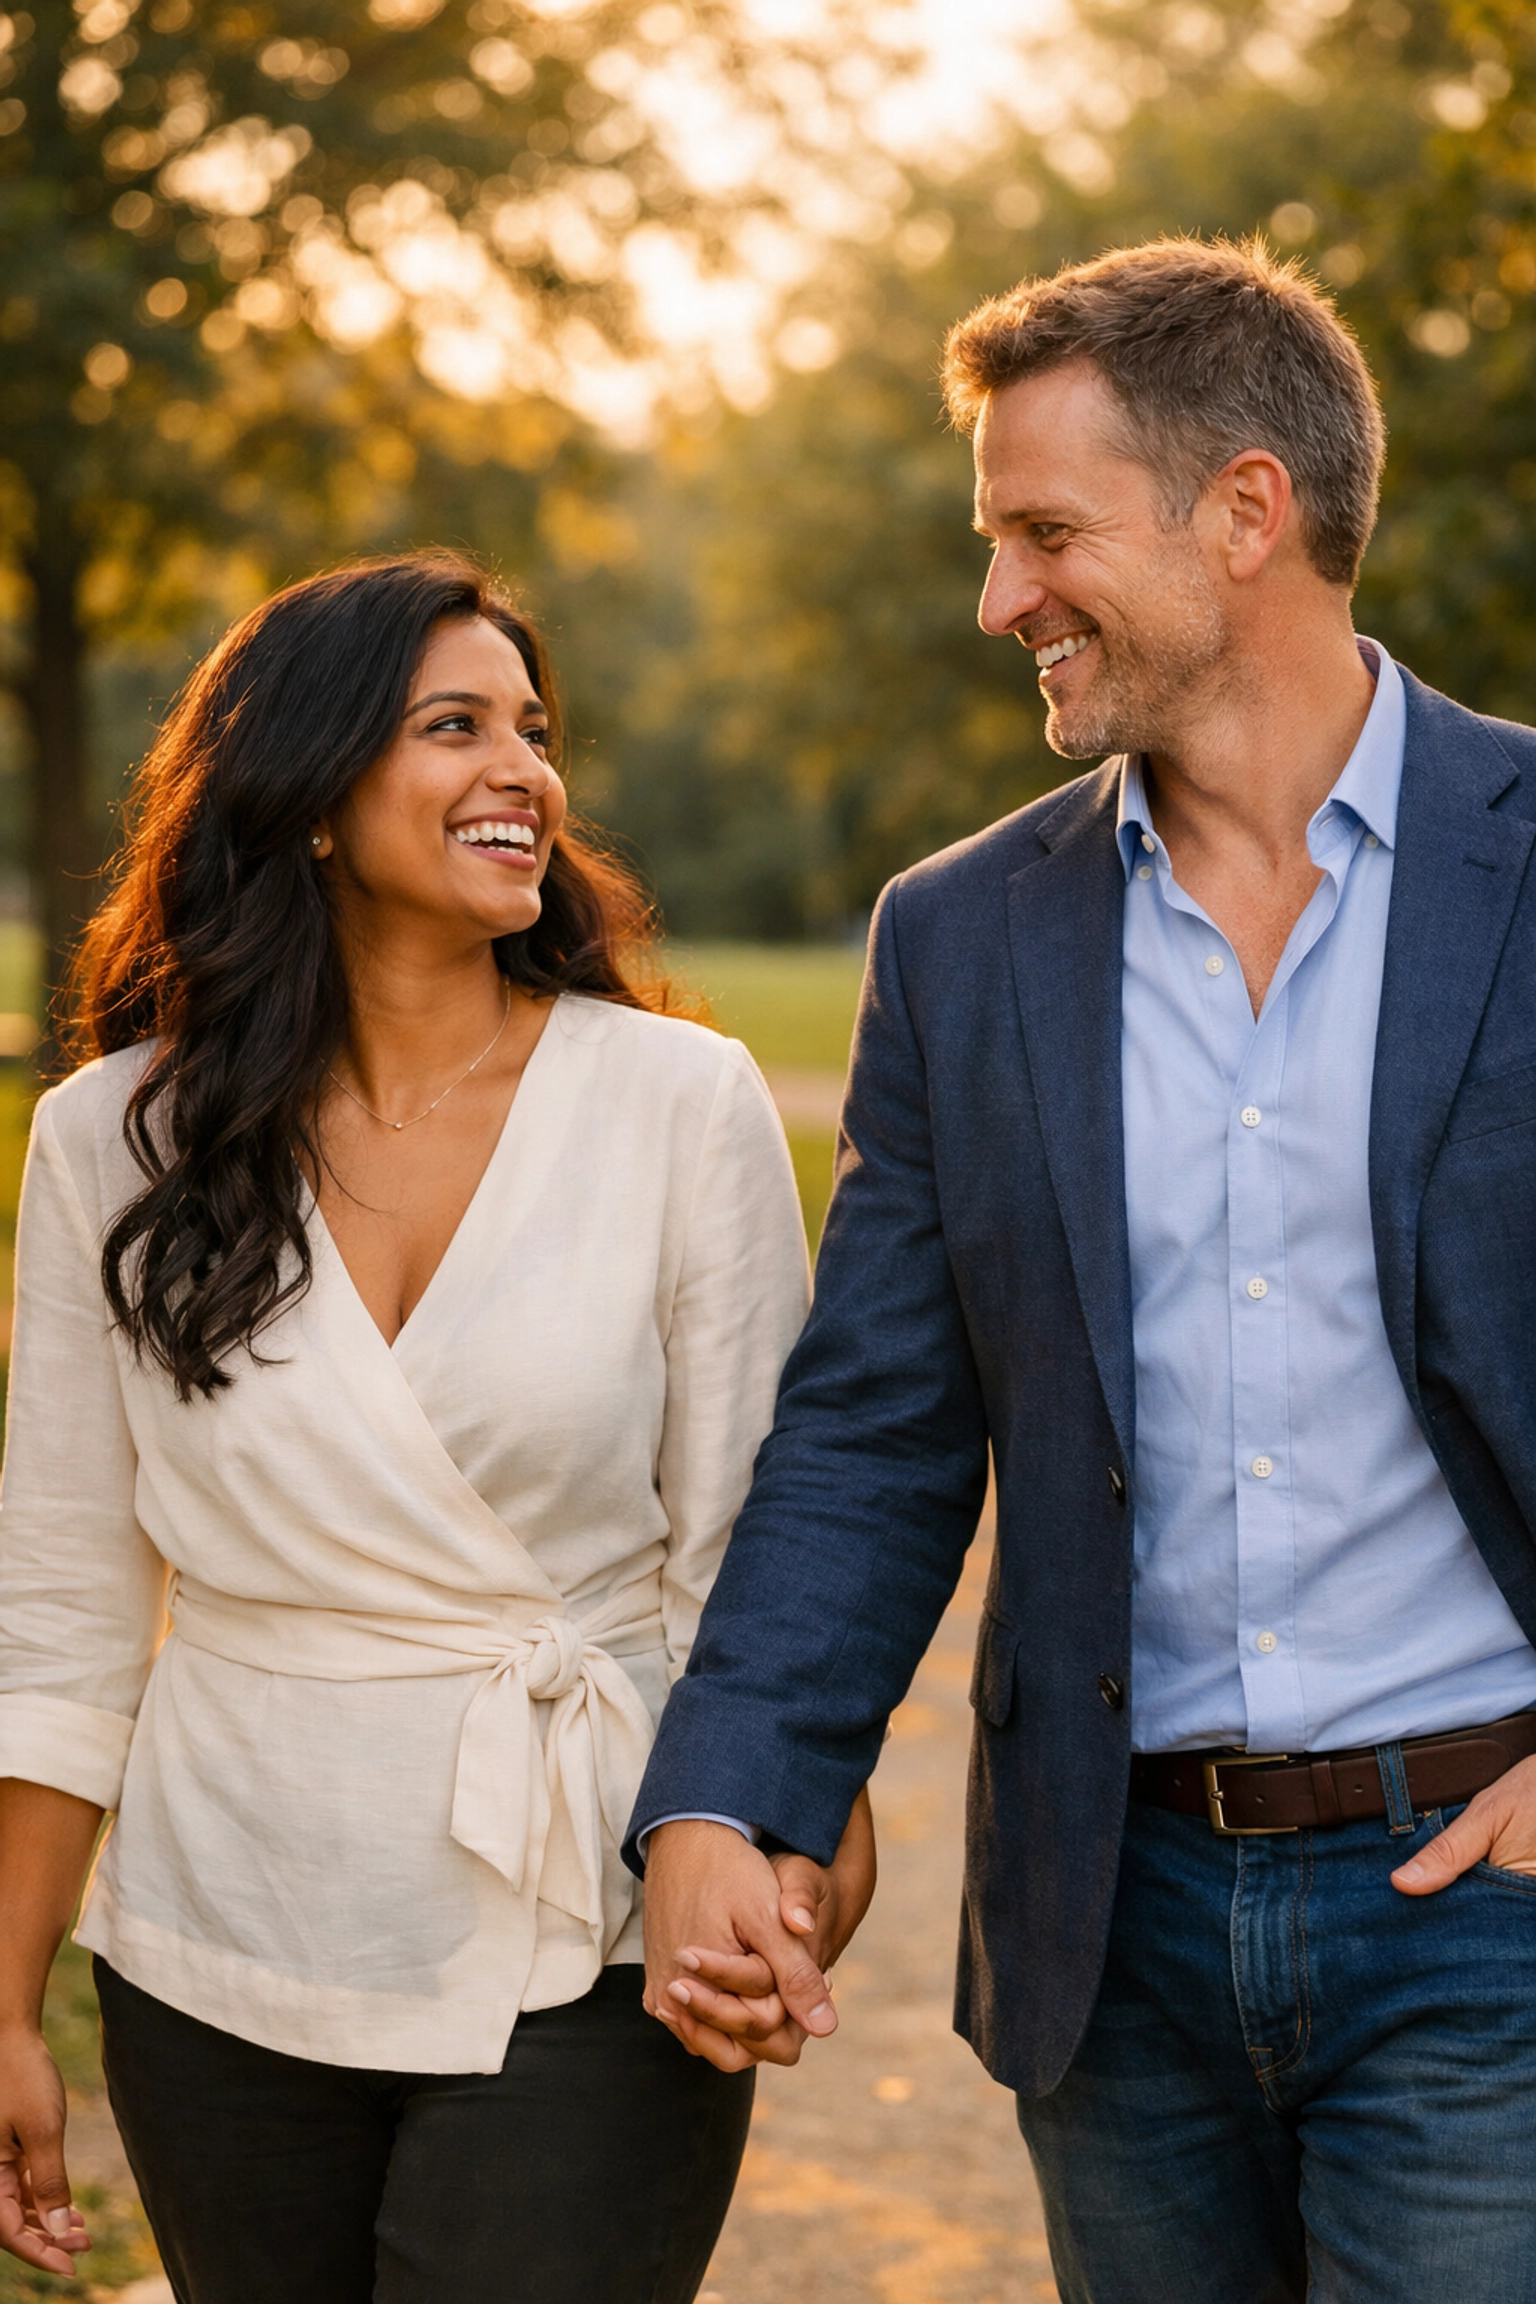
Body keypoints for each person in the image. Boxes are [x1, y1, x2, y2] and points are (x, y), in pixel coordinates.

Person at [629, 238, 1536, 2302]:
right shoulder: (964, 940)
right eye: (991, 542)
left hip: (1487, 1903)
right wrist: (732, 1795)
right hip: (1107, 1931)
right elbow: (872, 1429)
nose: (997, 601)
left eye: (1045, 534)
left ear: (1247, 511)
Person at [0, 551, 872, 2302]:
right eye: (453, 726)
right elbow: (66, 1618)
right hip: (220, 1939)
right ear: (311, 795)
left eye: (535, 732)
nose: (524, 772)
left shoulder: (672, 1104)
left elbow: (752, 1565)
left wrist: (795, 1851)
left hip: (590, 1921)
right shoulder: (116, 1137)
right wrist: (7, 2002)